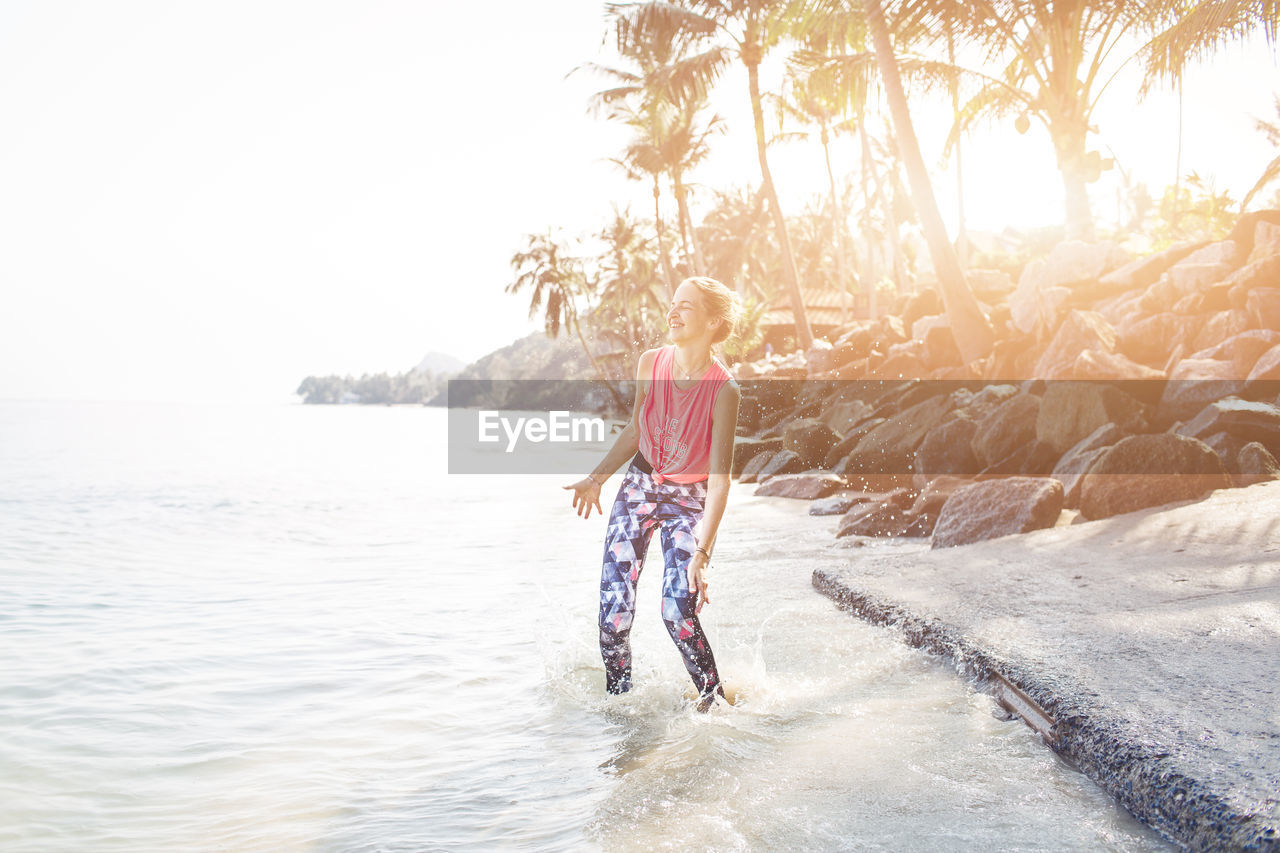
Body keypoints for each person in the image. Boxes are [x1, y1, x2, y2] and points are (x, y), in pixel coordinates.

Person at [564, 276, 742, 712]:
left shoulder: (724, 389)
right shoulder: (651, 363)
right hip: (639, 488)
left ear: (713, 321)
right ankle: (619, 708)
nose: (673, 312)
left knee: (677, 612)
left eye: (687, 306)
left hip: (688, 501)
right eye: (673, 303)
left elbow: (720, 480)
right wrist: (598, 477)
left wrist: (703, 555)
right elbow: (637, 427)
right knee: (613, 615)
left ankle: (713, 705)